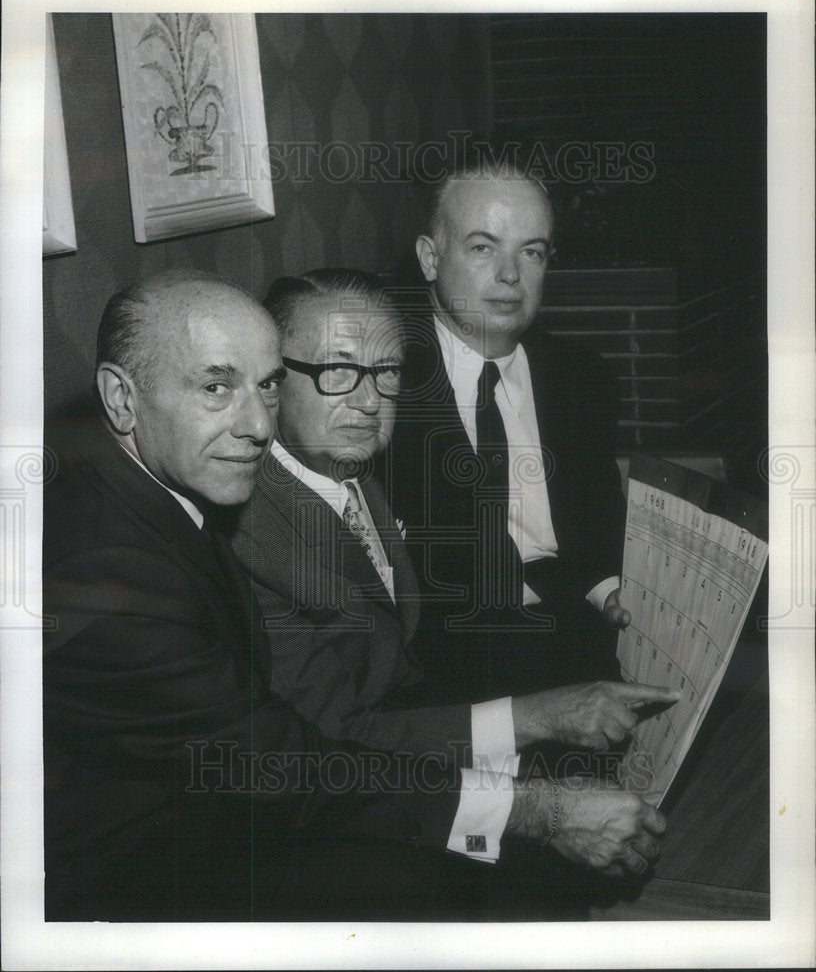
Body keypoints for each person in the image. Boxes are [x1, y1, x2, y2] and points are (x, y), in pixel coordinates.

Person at [43, 268, 668, 922]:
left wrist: (546, 717)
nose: (257, 424)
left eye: (266, 387)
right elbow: (287, 764)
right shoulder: (107, 570)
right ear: (120, 398)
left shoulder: (171, 493)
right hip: (125, 887)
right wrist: (538, 808)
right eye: (215, 387)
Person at [385, 161, 633, 705]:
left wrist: (608, 586)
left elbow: (596, 526)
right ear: (430, 258)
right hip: (439, 671)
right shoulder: (381, 382)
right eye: (482, 247)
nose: (511, 276)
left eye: (532, 251)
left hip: (581, 643)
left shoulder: (583, 379)